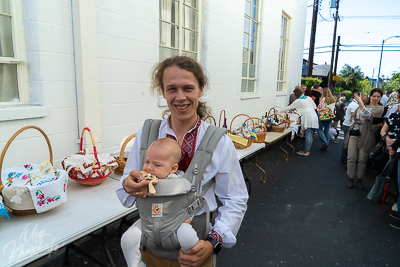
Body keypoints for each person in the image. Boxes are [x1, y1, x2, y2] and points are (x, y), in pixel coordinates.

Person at [116, 56, 248, 267]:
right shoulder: (148, 133)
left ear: (201, 89)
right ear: (162, 91)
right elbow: (126, 187)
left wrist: (212, 243)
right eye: (171, 89)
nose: (180, 97)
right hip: (149, 250)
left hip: (194, 252)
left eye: (188, 88)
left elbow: (235, 198)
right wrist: (128, 184)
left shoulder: (219, 141)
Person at [344, 89, 384, 190]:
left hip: (366, 136)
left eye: (378, 97)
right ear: (370, 96)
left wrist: (360, 102)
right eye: (374, 96)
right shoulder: (362, 105)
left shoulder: (380, 108)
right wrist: (355, 120)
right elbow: (353, 116)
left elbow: (369, 116)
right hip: (354, 133)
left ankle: (359, 179)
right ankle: (350, 178)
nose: (375, 98)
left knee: (362, 159)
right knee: (351, 157)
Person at [283, 88, 319, 156]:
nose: (293, 96)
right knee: (310, 135)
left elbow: (288, 107)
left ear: (296, 94)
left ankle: (306, 151)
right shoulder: (308, 98)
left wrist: (279, 110)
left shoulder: (298, 101)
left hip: (308, 118)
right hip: (314, 116)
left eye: (294, 95)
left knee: (308, 135)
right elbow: (315, 107)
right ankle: (308, 149)